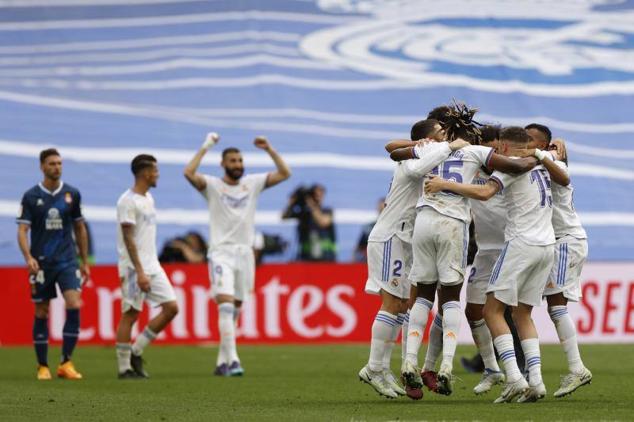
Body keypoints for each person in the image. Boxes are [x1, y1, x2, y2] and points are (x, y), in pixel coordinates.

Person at [391, 110, 538, 396]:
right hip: (453, 225)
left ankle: (412, 362)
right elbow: (515, 166)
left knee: (423, 296)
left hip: (424, 221)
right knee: (451, 300)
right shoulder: (476, 153)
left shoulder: (432, 149)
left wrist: (428, 144)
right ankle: (446, 366)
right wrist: (542, 156)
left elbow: (394, 153)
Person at [425, 126, 557, 403]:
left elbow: (485, 193)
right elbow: (565, 176)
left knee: (492, 311)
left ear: (504, 148)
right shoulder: (546, 165)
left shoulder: (509, 169)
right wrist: (544, 153)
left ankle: (514, 378)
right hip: (546, 245)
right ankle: (537, 380)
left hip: (520, 244)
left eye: (498, 150)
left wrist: (445, 184)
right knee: (523, 315)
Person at [359, 118, 468, 400]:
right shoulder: (414, 160)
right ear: (427, 140)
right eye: (441, 133)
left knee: (403, 305)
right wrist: (449, 146)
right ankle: (373, 367)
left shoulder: (427, 154)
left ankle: (382, 368)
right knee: (392, 303)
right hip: (391, 236)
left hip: (407, 240)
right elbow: (415, 162)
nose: (447, 137)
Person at [184, 132, 291, 376]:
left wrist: (270, 149)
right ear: (223, 164)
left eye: (240, 161)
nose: (238, 165)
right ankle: (233, 360)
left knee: (237, 306)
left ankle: (222, 362)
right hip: (221, 252)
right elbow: (188, 173)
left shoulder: (252, 183)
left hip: (245, 253)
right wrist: (206, 145)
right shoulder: (213, 185)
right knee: (226, 303)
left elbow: (285, 173)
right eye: (232, 161)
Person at [525, 124, 593, 397]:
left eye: (531, 140)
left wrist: (546, 154)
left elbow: (562, 175)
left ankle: (577, 368)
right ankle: (573, 367)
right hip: (562, 241)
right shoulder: (543, 160)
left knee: (555, 306)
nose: (525, 143)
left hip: (565, 240)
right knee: (554, 306)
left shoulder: (550, 160)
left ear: (544, 144)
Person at [17, 148, 90, 380]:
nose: (56, 167)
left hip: (67, 261)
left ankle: (66, 362)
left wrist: (84, 261)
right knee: (42, 310)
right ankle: (42, 366)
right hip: (41, 264)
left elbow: (80, 227)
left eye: (59, 163)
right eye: (51, 163)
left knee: (74, 304)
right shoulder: (30, 196)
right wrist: (28, 257)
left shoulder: (72, 194)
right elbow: (22, 230)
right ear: (42, 166)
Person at [115, 154, 179, 379]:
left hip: (153, 264)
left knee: (171, 308)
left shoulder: (148, 198)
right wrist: (140, 271)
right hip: (134, 267)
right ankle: (124, 368)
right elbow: (129, 239)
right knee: (130, 313)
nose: (158, 174)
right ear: (145, 173)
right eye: (156, 170)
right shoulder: (127, 201)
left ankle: (136, 350)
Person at [282, 184, 336, 261]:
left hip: (326, 258)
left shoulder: (327, 211)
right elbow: (284, 217)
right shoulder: (304, 213)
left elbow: (323, 222)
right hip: (306, 258)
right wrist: (291, 203)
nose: (317, 197)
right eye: (315, 194)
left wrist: (311, 205)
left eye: (320, 194)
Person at [353, 198, 385, 262]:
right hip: (369, 262)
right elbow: (358, 248)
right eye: (380, 209)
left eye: (383, 209)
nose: (381, 211)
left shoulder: (396, 228)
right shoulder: (368, 227)